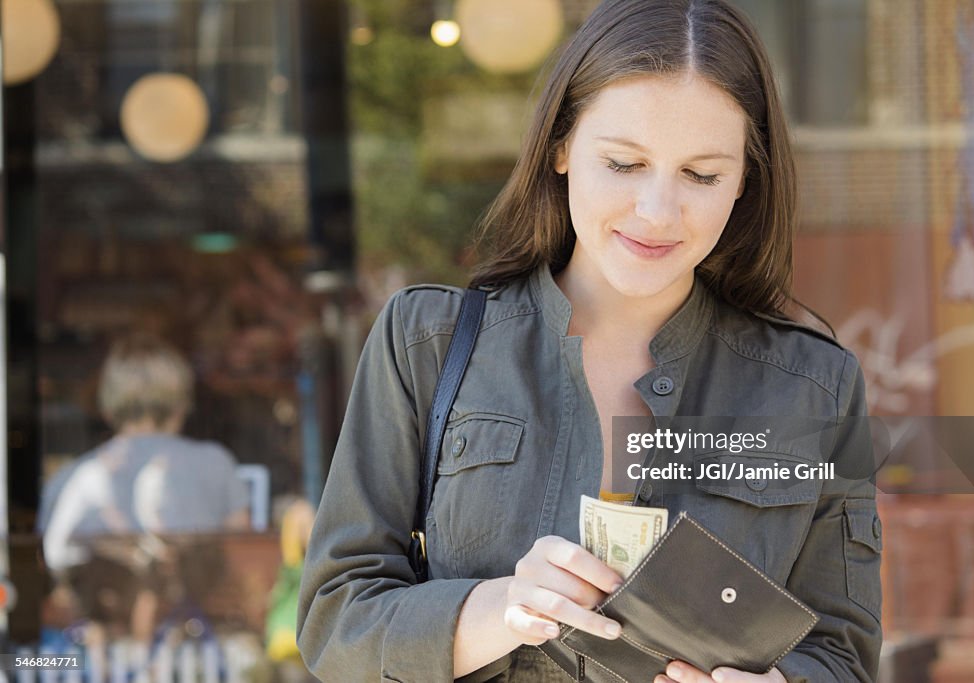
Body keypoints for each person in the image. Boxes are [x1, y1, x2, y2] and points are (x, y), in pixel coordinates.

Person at [297, 1, 882, 681]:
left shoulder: (814, 386)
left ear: (745, 181)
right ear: (562, 145)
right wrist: (500, 608)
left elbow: (842, 654)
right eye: (625, 163)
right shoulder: (424, 344)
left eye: (702, 175)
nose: (658, 211)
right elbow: (335, 621)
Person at [40, 332, 250, 639]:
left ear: (107, 406)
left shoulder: (70, 477)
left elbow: (53, 576)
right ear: (182, 404)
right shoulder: (216, 463)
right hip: (200, 643)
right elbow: (242, 560)